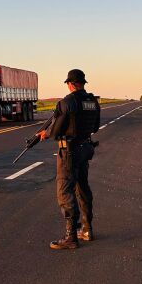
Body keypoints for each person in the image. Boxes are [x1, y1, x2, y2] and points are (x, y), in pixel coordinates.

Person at [38, 69, 101, 250]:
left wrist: (46, 132)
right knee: (83, 188)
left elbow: (56, 132)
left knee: (65, 192)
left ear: (70, 84)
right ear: (82, 83)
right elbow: (95, 127)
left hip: (70, 152)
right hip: (85, 149)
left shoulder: (67, 102)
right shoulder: (93, 102)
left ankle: (71, 236)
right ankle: (87, 230)